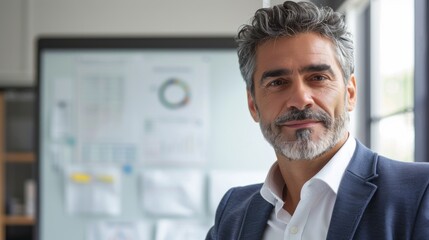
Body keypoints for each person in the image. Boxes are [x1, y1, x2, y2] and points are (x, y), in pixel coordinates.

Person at [206, 1, 429, 239]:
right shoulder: (233, 211)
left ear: (350, 93)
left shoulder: (421, 192)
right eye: (278, 83)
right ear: (253, 105)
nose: (300, 100)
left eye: (318, 78)